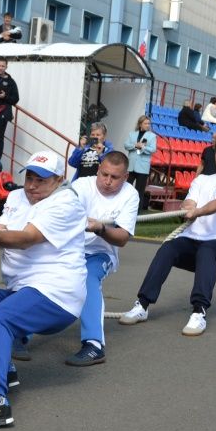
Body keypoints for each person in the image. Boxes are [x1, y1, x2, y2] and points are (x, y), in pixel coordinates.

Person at [0, 152, 85, 428]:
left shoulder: (66, 202)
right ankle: (3, 371)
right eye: (29, 177)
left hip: (57, 295)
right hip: (24, 291)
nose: (32, 185)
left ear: (59, 180)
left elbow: (26, 239)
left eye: (41, 180)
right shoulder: (15, 198)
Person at [120, 133, 216, 336]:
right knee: (168, 248)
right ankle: (142, 305)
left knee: (207, 250)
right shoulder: (202, 180)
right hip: (192, 240)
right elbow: (189, 202)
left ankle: (199, 312)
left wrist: (197, 211)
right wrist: (189, 207)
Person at [65, 151, 138, 366]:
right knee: (44, 278)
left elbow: (122, 238)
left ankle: (94, 345)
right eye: (104, 174)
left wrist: (100, 228)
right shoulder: (80, 186)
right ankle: (21, 335)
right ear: (98, 170)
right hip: (71, 249)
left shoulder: (130, 195)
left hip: (101, 252)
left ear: (125, 178)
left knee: (87, 278)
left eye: (114, 178)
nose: (107, 182)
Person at [124, 115, 157, 205]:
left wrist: (142, 147)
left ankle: (138, 210)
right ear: (140, 124)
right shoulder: (132, 134)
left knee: (140, 190)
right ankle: (125, 206)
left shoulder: (152, 136)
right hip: (131, 166)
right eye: (145, 123)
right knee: (126, 188)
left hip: (143, 167)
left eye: (148, 123)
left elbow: (153, 149)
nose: (147, 125)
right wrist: (135, 146)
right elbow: (126, 145)